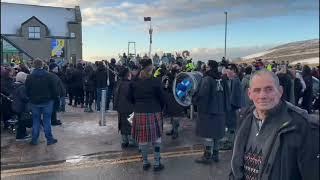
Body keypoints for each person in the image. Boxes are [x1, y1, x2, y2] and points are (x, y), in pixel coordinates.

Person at [229, 69, 319, 180]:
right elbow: (237, 164)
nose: (262, 96)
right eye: (257, 90)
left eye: (269, 89)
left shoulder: (301, 126)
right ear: (249, 94)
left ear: (280, 91)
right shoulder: (245, 118)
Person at [128, 58, 166, 171]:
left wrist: (137, 105)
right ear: (151, 67)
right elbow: (162, 98)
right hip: (154, 111)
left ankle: (145, 162)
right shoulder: (155, 81)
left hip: (140, 112)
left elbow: (129, 97)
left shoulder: (134, 81)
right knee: (157, 138)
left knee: (143, 139)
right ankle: (157, 163)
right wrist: (161, 107)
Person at [192, 60, 229, 164]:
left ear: (210, 67)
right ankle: (216, 155)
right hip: (220, 111)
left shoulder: (207, 79)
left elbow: (202, 95)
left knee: (208, 134)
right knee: (216, 134)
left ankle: (207, 156)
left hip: (208, 111)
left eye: (207, 66)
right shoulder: (222, 78)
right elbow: (227, 94)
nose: (206, 68)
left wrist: (194, 100)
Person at [25, 59, 58, 145]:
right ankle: (49, 139)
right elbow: (54, 89)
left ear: (33, 65)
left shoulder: (29, 77)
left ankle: (34, 140)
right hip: (47, 101)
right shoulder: (49, 76)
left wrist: (30, 98)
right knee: (47, 121)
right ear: (42, 65)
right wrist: (54, 98)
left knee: (36, 121)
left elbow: (27, 90)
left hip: (34, 102)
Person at [114, 67, 135, 148]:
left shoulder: (119, 83)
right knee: (130, 124)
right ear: (127, 75)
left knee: (122, 124)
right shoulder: (130, 84)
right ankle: (131, 141)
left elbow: (116, 96)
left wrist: (116, 106)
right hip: (130, 107)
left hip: (121, 107)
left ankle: (124, 141)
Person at [11, 72, 31, 140]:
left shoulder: (14, 85)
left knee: (20, 120)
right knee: (22, 122)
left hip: (15, 106)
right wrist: (29, 98)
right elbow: (24, 97)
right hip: (21, 107)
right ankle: (20, 136)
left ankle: (23, 134)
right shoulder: (22, 87)